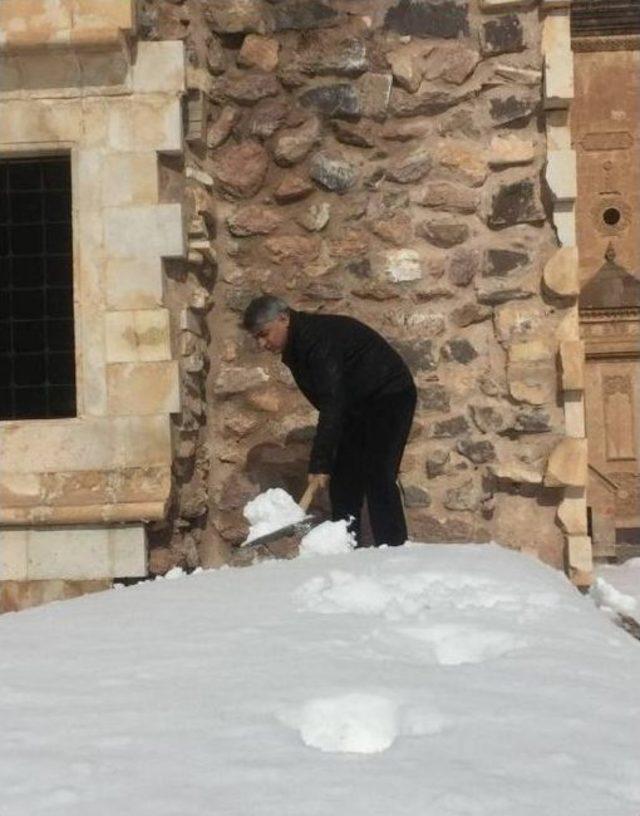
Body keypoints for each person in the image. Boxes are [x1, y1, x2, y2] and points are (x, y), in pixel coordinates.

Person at [242, 295, 417, 548]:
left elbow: (332, 401)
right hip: (355, 406)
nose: (261, 343)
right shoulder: (297, 346)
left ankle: (392, 550)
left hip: (388, 395)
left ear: (284, 318)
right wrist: (328, 459)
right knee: (344, 482)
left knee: (379, 475)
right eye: (257, 337)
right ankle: (344, 546)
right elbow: (333, 401)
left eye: (264, 334)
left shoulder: (317, 340)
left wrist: (320, 463)